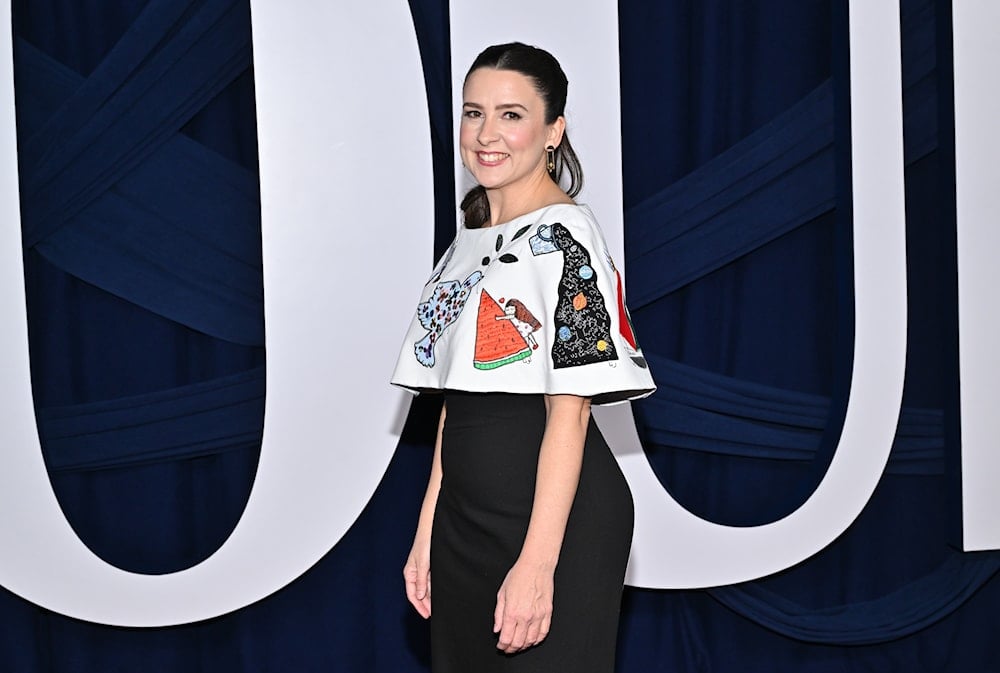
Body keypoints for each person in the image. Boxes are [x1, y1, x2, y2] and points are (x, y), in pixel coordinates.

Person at [391, 42, 655, 673]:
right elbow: (457, 397)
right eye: (473, 112)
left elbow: (570, 413)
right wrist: (429, 527)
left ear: (553, 131)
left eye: (511, 115)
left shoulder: (567, 238)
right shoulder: (467, 243)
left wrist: (539, 564)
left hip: (555, 526)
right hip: (465, 522)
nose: (487, 134)